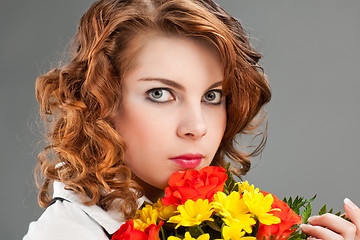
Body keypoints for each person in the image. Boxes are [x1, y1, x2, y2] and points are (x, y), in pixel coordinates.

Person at [23, 0, 360, 239]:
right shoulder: (66, 233)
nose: (197, 127)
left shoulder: (227, 219)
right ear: (100, 101)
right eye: (160, 93)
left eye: (212, 96)